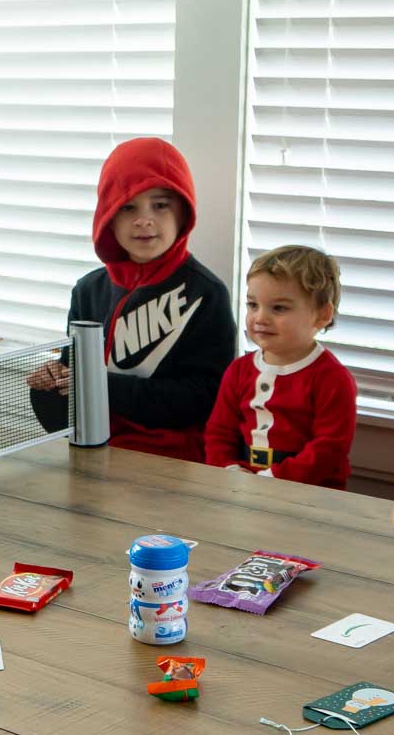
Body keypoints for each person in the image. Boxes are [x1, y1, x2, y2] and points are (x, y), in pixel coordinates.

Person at [26, 138, 234, 461]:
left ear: (184, 209)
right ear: (108, 216)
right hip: (93, 455)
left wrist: (101, 386)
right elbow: (71, 398)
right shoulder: (87, 291)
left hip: (177, 467)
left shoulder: (207, 294)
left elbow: (206, 398)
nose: (144, 220)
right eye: (127, 206)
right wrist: (49, 384)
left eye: (160, 205)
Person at [205, 246, 357, 489]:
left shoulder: (331, 378)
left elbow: (329, 448)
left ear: (321, 315)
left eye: (278, 308)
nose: (260, 317)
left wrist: (272, 481)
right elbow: (219, 432)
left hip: (309, 495)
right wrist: (230, 471)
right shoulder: (239, 371)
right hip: (240, 488)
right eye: (253, 305)